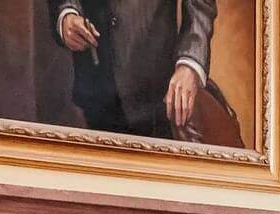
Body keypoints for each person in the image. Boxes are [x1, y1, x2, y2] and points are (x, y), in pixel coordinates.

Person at [48, 0, 217, 139]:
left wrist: (189, 64)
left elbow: (200, 7)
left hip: (156, 95)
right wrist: (67, 12)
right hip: (93, 85)